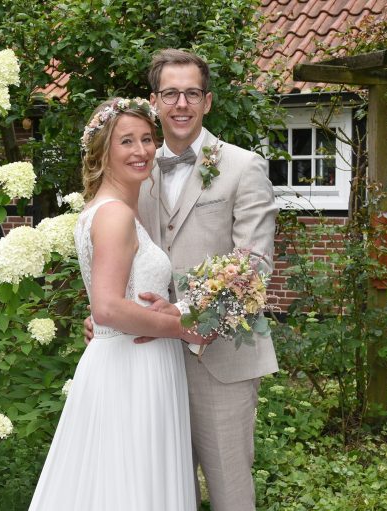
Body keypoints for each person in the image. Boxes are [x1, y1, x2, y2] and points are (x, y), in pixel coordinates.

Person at [85, 49, 279, 511]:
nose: (181, 104)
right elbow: (112, 251)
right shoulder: (135, 166)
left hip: (222, 359)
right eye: (170, 93)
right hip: (146, 363)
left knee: (230, 492)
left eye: (192, 93)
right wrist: (106, 314)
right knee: (163, 490)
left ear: (207, 101)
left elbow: (254, 266)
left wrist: (185, 314)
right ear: (154, 101)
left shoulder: (243, 166)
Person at [29, 97, 212, 510]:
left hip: (133, 361)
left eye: (147, 139)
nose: (141, 150)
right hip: (132, 370)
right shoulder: (115, 215)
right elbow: (108, 308)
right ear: (103, 152)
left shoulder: (107, 209)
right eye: (126, 141)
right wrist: (182, 327)